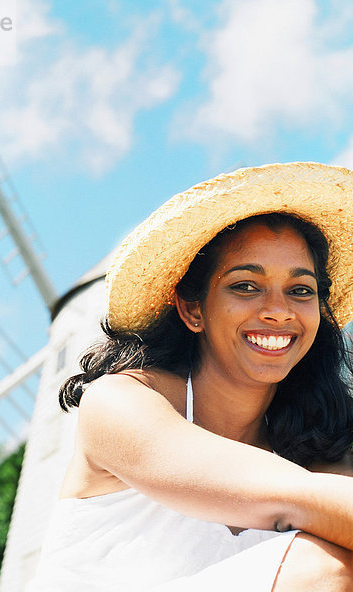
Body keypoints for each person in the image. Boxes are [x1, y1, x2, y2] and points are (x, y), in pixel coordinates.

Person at [29, 162, 353, 591]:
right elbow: (307, 502)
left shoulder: (319, 441)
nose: (279, 310)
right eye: (246, 286)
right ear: (193, 309)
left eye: (300, 290)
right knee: (327, 566)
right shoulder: (119, 403)